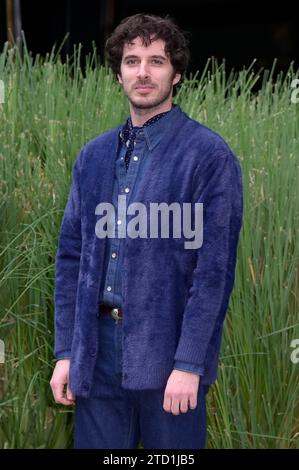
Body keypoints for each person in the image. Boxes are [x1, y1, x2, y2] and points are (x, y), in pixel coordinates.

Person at [50, 13, 243, 449]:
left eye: (156, 61)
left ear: (176, 74)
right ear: (118, 73)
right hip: (95, 356)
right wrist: (67, 353)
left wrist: (190, 363)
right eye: (132, 60)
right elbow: (71, 260)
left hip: (168, 354)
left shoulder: (208, 157)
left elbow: (213, 273)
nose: (142, 72)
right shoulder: (93, 157)